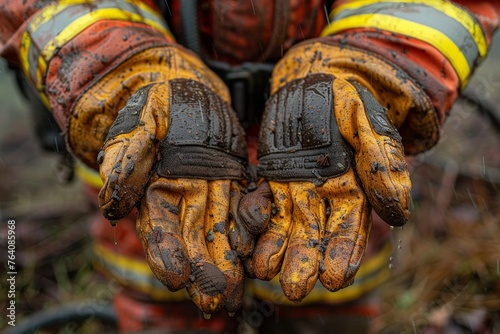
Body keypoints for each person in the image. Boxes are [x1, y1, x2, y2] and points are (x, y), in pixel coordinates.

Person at [1, 0, 498, 332]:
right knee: (165, 275)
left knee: (328, 283)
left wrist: (366, 63)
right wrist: (124, 70)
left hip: (333, 146)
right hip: (160, 145)